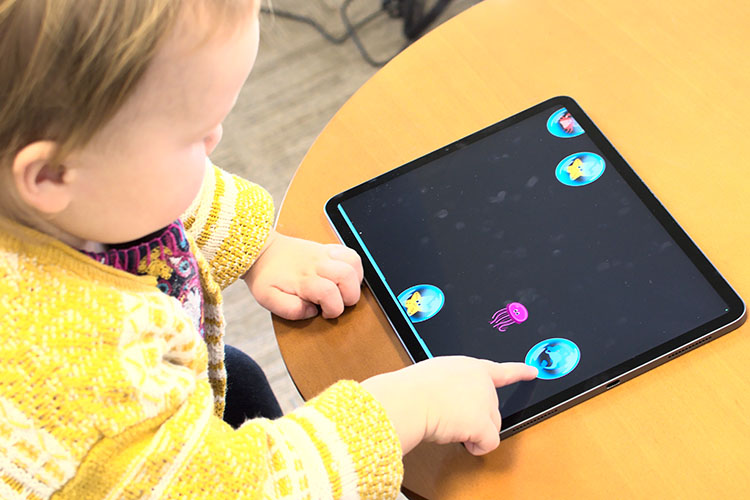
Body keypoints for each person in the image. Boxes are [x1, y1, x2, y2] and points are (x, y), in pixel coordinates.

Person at [0, 0, 537, 498]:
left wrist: (259, 246)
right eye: (193, 137)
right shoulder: (80, 371)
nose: (216, 142)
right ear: (49, 175)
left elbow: (169, 196)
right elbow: (244, 490)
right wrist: (407, 408)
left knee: (242, 379)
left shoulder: (63, 185)